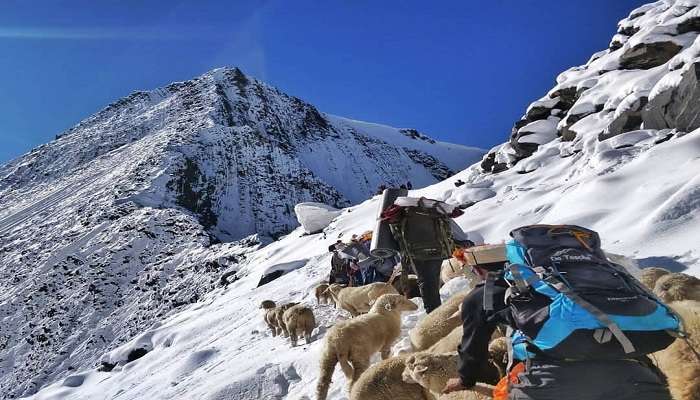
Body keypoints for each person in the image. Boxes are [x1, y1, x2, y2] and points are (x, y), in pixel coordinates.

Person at [442, 263, 673, 399]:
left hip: (549, 384)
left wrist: (465, 379)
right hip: (636, 376)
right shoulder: (579, 282)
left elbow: (474, 348)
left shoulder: (485, 294)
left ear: (478, 270)